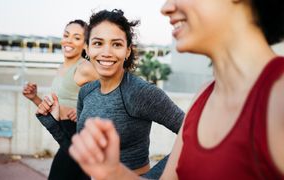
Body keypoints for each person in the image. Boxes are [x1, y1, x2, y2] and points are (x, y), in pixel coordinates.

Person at [68, 0, 284, 179]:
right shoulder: (204, 96)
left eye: (116, 44)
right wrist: (113, 172)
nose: (166, 7)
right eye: (98, 43)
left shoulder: (279, 95)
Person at [37, 9, 185, 178]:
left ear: (128, 50)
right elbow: (80, 153)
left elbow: (191, 135)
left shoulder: (140, 92)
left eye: (116, 44)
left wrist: (150, 178)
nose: (106, 52)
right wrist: (53, 123)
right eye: (98, 43)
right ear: (87, 48)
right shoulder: (86, 92)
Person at [23, 19, 98, 180]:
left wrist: (87, 113)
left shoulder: (84, 67)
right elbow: (56, 107)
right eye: (66, 35)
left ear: (85, 45)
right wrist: (34, 98)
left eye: (76, 37)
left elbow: (112, 92)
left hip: (78, 136)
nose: (69, 40)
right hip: (63, 135)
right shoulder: (62, 67)